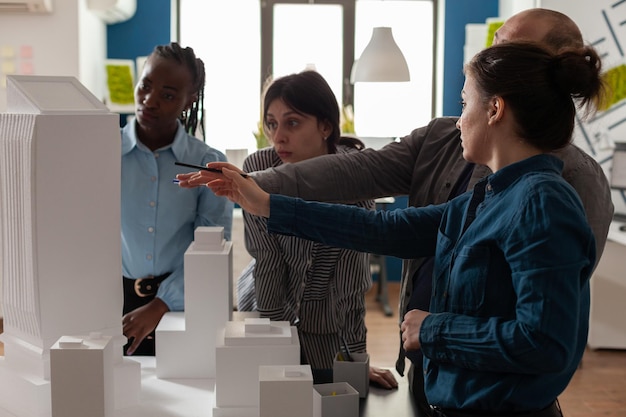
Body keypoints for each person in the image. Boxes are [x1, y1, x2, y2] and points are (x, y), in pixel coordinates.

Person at [176, 7, 614, 416]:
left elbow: (546, 340)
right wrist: (264, 201)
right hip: (443, 389)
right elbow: (382, 227)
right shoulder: (490, 196)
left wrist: (434, 330)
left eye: (465, 105)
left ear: (497, 106)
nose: (458, 120)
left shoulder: (543, 200)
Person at [238, 70, 397, 387]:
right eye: (272, 123)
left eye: (292, 123)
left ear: (325, 126)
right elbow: (267, 258)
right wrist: (276, 343)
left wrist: (356, 359)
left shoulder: (355, 174)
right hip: (265, 304)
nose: (278, 136)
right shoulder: (257, 169)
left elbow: (352, 282)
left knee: (338, 395)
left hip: (326, 322)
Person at [121, 42, 233, 356]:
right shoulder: (103, 153)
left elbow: (211, 246)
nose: (149, 101)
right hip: (112, 304)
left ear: (189, 101)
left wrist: (161, 304)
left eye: (168, 95)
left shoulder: (208, 164)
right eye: (145, 86)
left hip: (185, 304)